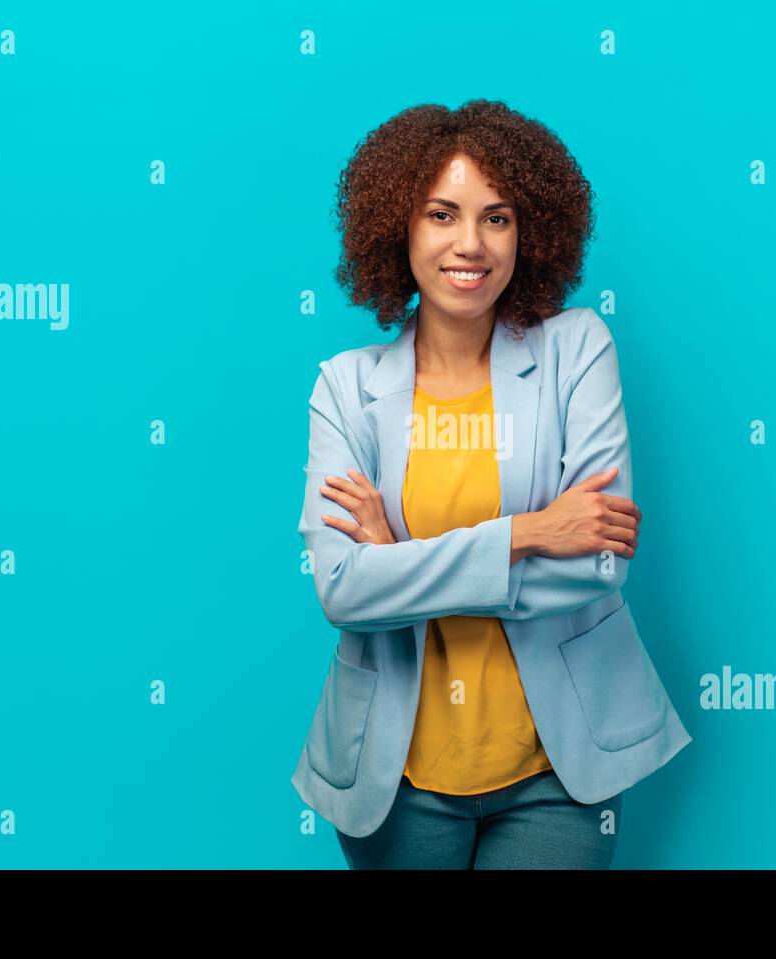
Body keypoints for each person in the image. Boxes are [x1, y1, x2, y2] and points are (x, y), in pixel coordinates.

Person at [291, 100, 691, 869]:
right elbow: (343, 591)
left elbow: (598, 563)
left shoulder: (577, 351)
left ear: (529, 231)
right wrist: (527, 533)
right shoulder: (344, 389)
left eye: (497, 218)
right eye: (441, 214)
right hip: (397, 775)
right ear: (398, 228)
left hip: (556, 770)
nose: (468, 244)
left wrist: (401, 561)